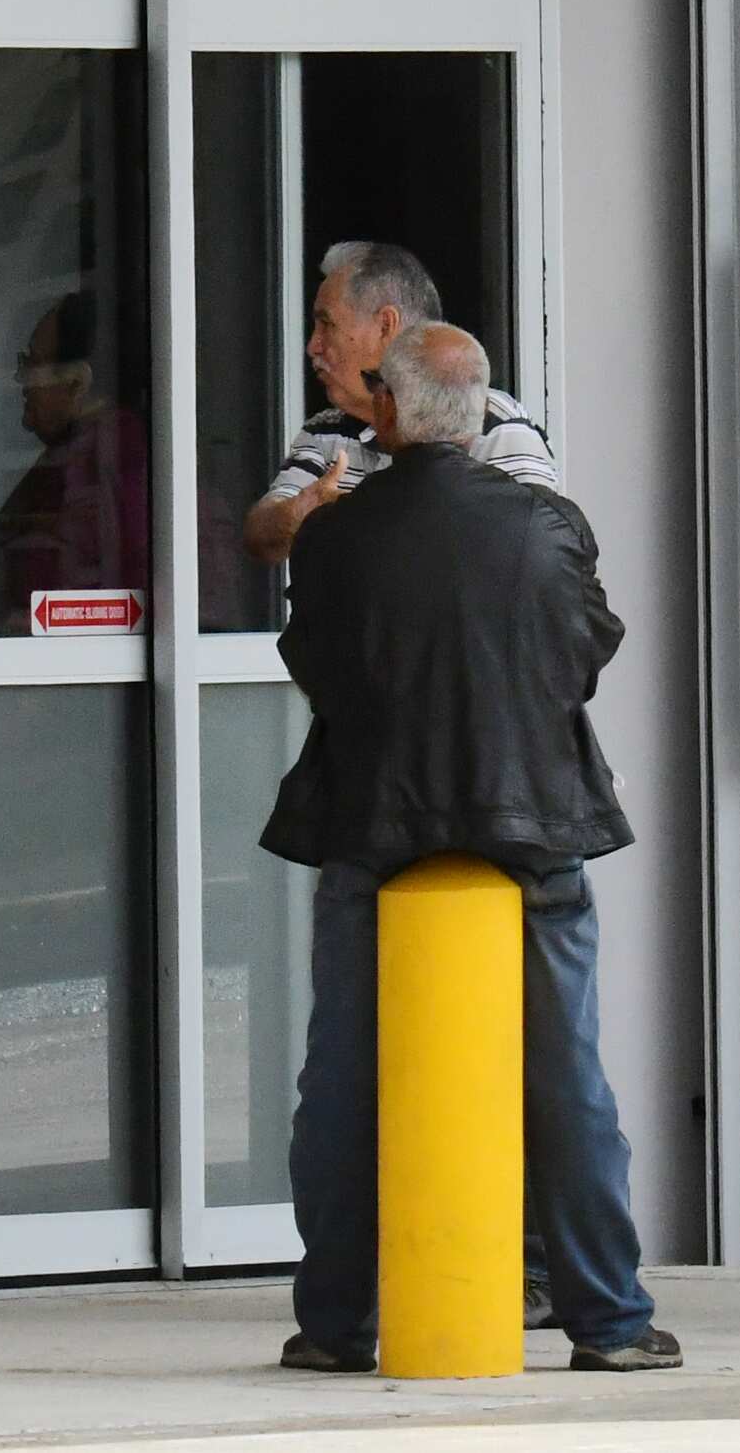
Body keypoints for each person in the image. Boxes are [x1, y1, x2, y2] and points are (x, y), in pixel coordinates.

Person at [262, 324, 679, 1376]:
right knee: (567, 1076)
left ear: (387, 413)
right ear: (483, 412)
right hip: (531, 826)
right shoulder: (548, 525)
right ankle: (609, 1321)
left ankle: (335, 1323)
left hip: (370, 827)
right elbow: (585, 652)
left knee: (342, 1081)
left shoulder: (335, 537)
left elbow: (312, 661)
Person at [243, 241, 559, 566]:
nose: (313, 346)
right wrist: (299, 511)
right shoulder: (327, 431)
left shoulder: (489, 420)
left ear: (385, 325)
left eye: (327, 324)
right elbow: (260, 540)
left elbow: (542, 552)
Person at [0, 292, 151, 634]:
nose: (21, 381)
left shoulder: (106, 464)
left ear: (77, 382)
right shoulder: (84, 455)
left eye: (32, 365)